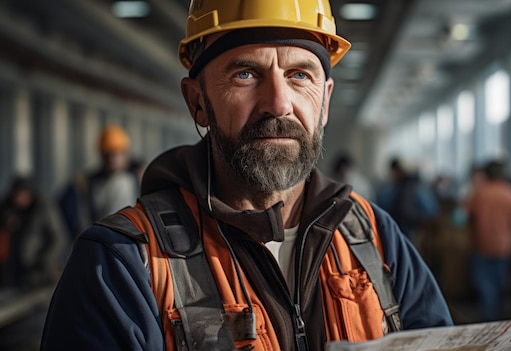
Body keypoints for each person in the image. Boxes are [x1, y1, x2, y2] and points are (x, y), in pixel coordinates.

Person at [41, 1, 453, 350]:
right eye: (245, 74)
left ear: (324, 101)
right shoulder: (120, 265)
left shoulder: (375, 236)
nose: (278, 104)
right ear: (197, 102)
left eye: (300, 75)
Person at [58, 124, 143, 240]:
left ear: (125, 154)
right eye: (108, 155)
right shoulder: (89, 183)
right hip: (102, 240)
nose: (112, 160)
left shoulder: (135, 179)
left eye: (116, 154)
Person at [463, 160, 511, 321]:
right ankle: (499, 317)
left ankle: (488, 318)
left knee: (484, 284)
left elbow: (465, 218)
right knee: (500, 283)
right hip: (504, 246)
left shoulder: (479, 192)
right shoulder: (510, 193)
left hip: (482, 245)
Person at [0, 176, 68, 288]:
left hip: (39, 274)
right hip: (12, 274)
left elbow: (59, 238)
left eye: (22, 195)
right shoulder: (8, 208)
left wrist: (45, 261)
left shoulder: (44, 208)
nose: (18, 199)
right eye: (16, 195)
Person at [377, 157, 439, 241]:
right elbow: (432, 209)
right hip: (415, 230)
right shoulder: (418, 188)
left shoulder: (394, 188)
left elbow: (382, 204)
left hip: (396, 229)